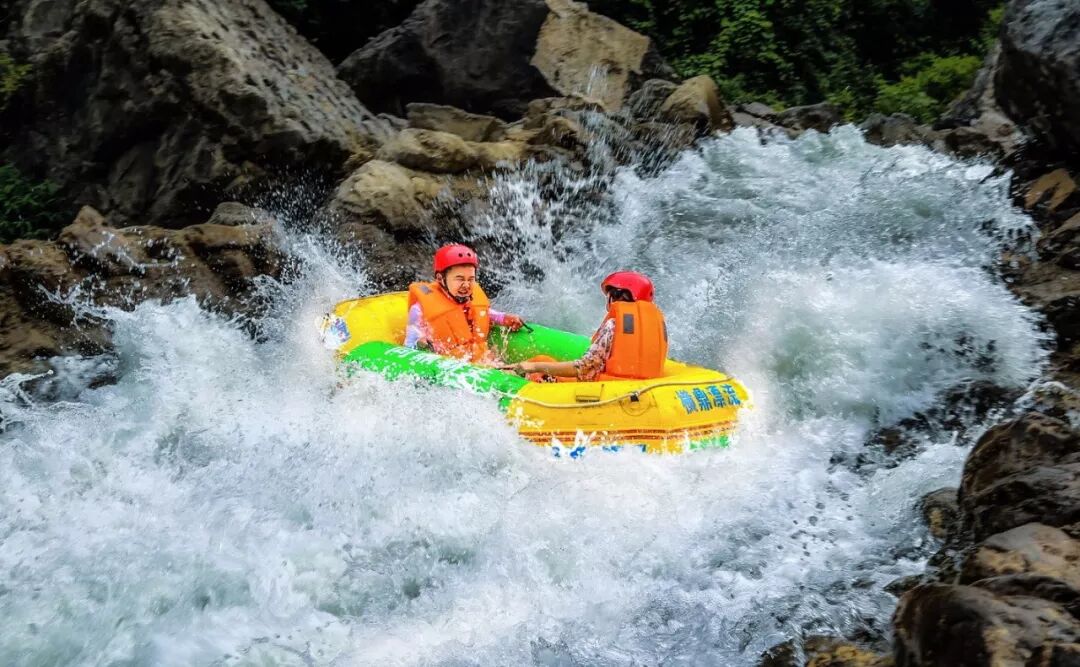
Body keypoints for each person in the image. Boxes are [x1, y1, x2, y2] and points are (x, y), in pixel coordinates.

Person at [502, 271, 668, 382]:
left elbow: (584, 368)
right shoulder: (655, 325)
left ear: (616, 297)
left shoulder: (612, 326)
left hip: (607, 390)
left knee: (541, 361)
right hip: (638, 388)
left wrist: (533, 367)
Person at [405, 244, 526, 363]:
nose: (467, 285)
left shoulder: (471, 299)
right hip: (447, 366)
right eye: (460, 279)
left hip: (479, 360)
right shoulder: (419, 310)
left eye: (471, 279)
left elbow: (484, 313)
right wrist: (421, 344)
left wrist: (504, 318)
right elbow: (409, 347)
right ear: (441, 278)